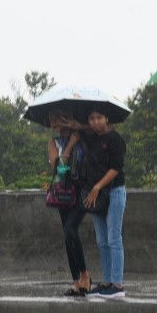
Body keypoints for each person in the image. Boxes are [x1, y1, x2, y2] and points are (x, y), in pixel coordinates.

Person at [64, 109, 128, 299]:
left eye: (99, 118)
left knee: (113, 237)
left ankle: (117, 284)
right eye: (91, 118)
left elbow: (116, 168)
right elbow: (83, 131)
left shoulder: (115, 139)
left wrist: (98, 186)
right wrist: (77, 126)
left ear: (107, 118)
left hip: (113, 191)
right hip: (94, 195)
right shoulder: (92, 138)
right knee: (101, 240)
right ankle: (106, 281)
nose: (95, 122)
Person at [46, 111, 90, 296]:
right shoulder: (53, 142)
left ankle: (85, 275)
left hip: (81, 191)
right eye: (52, 121)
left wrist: (77, 129)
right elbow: (58, 168)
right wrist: (70, 145)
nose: (54, 123)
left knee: (71, 229)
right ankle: (76, 281)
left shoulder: (83, 137)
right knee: (67, 235)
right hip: (63, 192)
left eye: (57, 119)